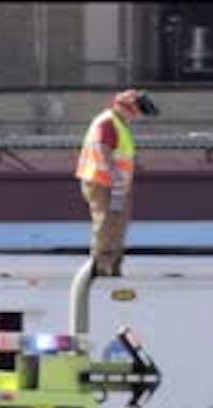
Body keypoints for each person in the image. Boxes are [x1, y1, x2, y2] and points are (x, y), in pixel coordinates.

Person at [75, 88, 158, 278]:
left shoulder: (119, 123)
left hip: (115, 184)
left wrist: (132, 167)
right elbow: (104, 149)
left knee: (118, 223)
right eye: (136, 111)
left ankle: (113, 264)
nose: (137, 116)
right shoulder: (108, 122)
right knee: (106, 223)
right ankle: (101, 265)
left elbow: (119, 152)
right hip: (102, 182)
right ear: (126, 107)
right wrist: (115, 174)